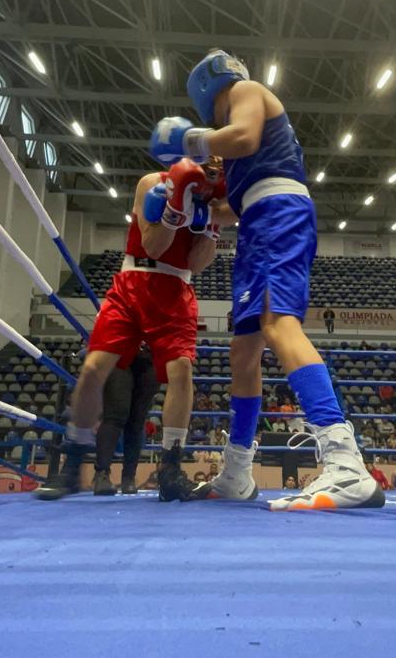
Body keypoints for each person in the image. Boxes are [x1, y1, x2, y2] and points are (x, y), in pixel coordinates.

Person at [152, 49, 382, 510]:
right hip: (259, 224)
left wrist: (190, 140)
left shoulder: (246, 93)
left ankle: (346, 464)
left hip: (281, 214)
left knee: (280, 324)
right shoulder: (235, 162)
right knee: (243, 351)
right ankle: (237, 471)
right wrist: (190, 206)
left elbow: (244, 134)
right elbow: (232, 208)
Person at [34, 157, 221, 502]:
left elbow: (196, 263)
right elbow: (152, 246)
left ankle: (169, 468)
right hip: (134, 281)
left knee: (181, 371)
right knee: (93, 369)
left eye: (220, 165)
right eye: (209, 160)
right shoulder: (153, 183)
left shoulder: (213, 203)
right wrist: (175, 205)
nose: (214, 169)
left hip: (176, 288)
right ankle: (74, 464)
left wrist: (210, 224)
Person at [92, 346, 157, 496]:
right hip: (120, 350)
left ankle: (129, 477)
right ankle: (102, 474)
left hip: (151, 354)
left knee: (138, 419)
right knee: (115, 413)